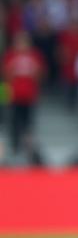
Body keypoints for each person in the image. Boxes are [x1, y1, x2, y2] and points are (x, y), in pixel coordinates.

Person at [2, 29, 46, 160]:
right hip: (14, 95)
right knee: (14, 122)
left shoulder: (35, 55)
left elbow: (41, 74)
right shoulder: (10, 55)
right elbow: (5, 74)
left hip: (29, 95)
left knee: (29, 123)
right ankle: (15, 147)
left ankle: (29, 149)